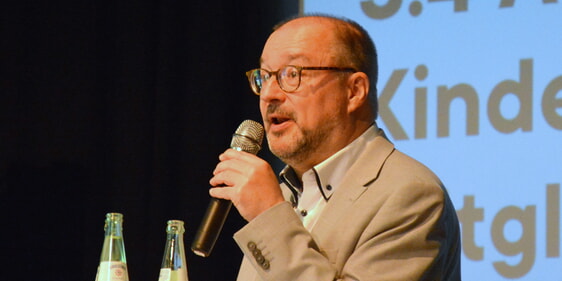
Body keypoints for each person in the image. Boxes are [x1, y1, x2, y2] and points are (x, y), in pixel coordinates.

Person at [209, 14, 461, 281]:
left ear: (354, 91)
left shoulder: (410, 195)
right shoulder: (283, 194)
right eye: (265, 76)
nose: (269, 94)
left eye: (292, 74)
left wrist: (269, 215)